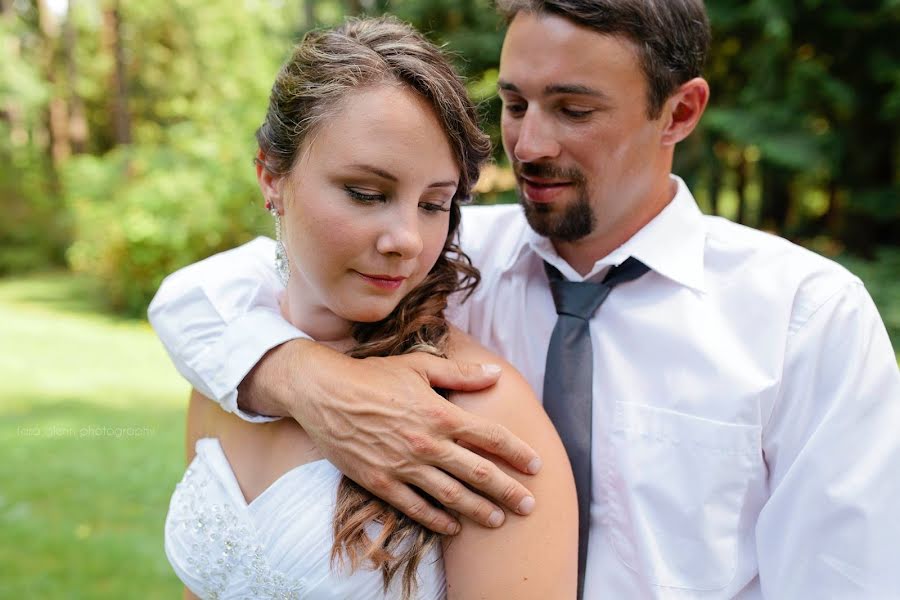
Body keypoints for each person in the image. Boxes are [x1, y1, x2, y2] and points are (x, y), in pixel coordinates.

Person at [151, 1, 900, 598]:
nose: (530, 144)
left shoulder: (805, 317)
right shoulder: (442, 254)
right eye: (514, 104)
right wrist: (306, 380)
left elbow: (846, 580)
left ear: (679, 112)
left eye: (573, 109)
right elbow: (200, 296)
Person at [162, 16, 577, 600]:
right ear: (270, 178)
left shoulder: (479, 413)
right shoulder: (228, 367)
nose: (406, 239)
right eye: (366, 194)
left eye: (435, 203)